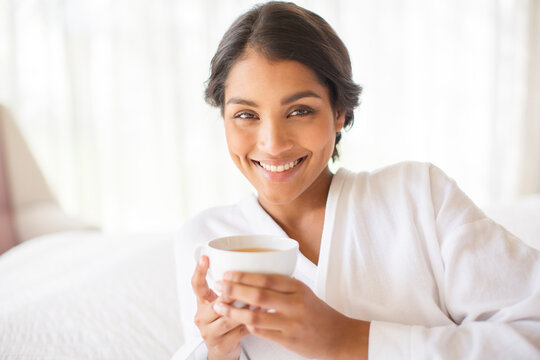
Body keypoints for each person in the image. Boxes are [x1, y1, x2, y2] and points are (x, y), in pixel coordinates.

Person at [173, 2, 540, 359]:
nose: (273, 144)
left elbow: (532, 333)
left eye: (300, 111)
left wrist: (350, 340)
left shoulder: (418, 197)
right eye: (246, 114)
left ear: (339, 113)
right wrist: (219, 354)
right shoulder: (207, 239)